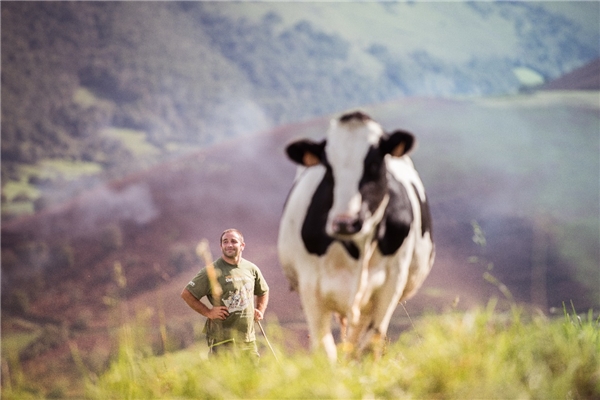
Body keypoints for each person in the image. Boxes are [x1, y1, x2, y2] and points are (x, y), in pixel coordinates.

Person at [181, 229, 269, 359]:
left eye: (234, 241)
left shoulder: (251, 269)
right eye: (225, 242)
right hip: (222, 341)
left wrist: (260, 310)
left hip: (248, 339)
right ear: (221, 246)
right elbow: (187, 294)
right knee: (223, 379)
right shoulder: (211, 270)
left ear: (242, 245)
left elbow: (263, 291)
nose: (229, 245)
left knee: (251, 378)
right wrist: (208, 312)